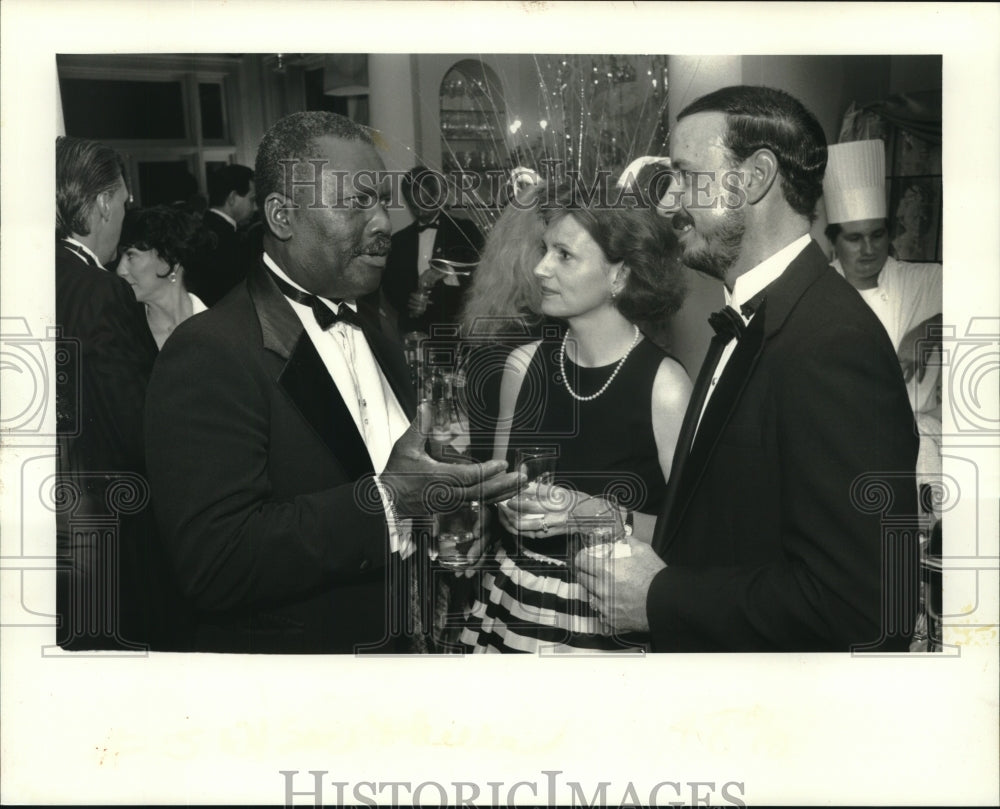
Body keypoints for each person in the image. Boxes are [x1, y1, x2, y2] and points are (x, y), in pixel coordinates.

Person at [143, 111, 522, 653]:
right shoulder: (209, 352)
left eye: (382, 201)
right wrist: (388, 501)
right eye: (355, 203)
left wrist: (443, 505)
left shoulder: (373, 324)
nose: (384, 224)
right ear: (282, 215)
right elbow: (215, 562)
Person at [577, 85, 920, 652]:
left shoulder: (832, 341)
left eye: (685, 176)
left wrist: (660, 598)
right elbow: (728, 521)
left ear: (755, 176)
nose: (667, 203)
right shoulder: (751, 315)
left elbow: (868, 606)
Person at [459, 180, 691, 653]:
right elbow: (501, 496)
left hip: (608, 615)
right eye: (545, 250)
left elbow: (693, 534)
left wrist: (589, 513)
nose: (541, 268)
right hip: (514, 602)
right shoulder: (522, 367)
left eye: (564, 255)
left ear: (620, 276)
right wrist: (478, 520)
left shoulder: (664, 386)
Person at [54, 136, 164, 649]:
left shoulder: (44, 273)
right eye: (123, 200)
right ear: (101, 204)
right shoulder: (103, 292)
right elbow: (136, 426)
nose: (126, 211)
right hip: (106, 523)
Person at [823, 139, 942, 494]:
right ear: (834, 242)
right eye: (855, 238)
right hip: (841, 450)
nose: (869, 248)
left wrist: (931, 327)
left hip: (918, 446)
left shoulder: (922, 281)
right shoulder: (817, 290)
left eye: (877, 235)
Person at [382, 166, 484, 338]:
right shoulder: (399, 241)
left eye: (426, 203)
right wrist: (410, 302)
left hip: (457, 331)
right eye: (414, 206)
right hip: (414, 332)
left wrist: (446, 271)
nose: (421, 211)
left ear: (439, 197)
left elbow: (484, 272)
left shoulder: (464, 231)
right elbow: (390, 287)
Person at [117, 206, 213, 348]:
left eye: (131, 255)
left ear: (170, 261)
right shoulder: (121, 334)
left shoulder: (216, 330)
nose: (120, 270)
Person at [190, 163, 257, 306]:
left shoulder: (200, 229)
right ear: (232, 197)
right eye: (251, 200)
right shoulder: (228, 240)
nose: (255, 207)